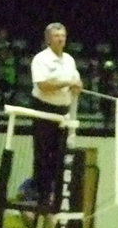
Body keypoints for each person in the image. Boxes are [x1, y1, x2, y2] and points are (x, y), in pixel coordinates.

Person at [29, 22, 82, 208]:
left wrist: (76, 85)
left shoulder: (69, 59)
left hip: (63, 111)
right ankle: (42, 195)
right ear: (48, 39)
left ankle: (57, 197)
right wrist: (64, 82)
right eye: (57, 36)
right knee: (44, 153)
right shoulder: (40, 59)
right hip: (44, 109)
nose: (61, 39)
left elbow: (76, 82)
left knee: (60, 155)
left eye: (63, 35)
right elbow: (43, 85)